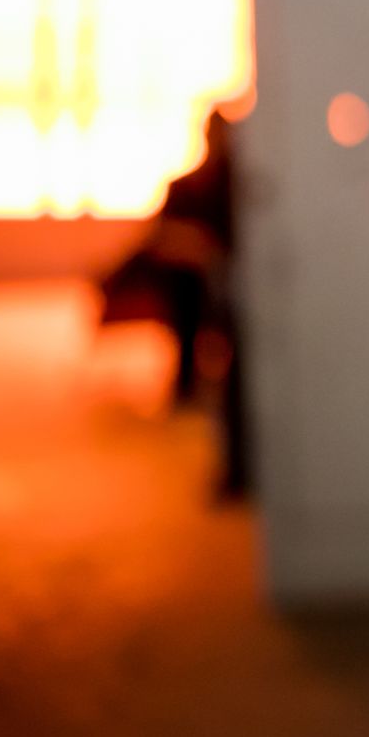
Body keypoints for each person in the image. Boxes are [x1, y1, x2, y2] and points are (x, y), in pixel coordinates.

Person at [99, 109, 250, 498]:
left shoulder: (242, 186)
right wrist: (197, 251)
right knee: (187, 301)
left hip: (233, 286)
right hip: (192, 281)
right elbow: (162, 236)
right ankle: (187, 388)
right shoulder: (187, 186)